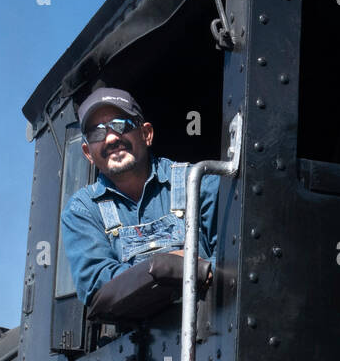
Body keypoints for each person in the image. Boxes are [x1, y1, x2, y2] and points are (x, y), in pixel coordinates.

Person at [60, 87, 220, 320]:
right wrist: (172, 265)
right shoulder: (83, 209)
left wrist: (142, 279)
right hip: (135, 346)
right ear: (87, 153)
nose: (112, 138)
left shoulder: (199, 182)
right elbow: (98, 285)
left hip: (207, 326)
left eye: (121, 124)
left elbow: (231, 264)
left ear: (146, 134)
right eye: (97, 133)